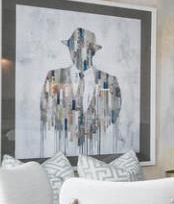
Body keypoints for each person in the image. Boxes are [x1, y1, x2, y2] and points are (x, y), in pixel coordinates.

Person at [39, 26, 123, 155]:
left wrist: (93, 127)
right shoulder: (54, 77)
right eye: (72, 48)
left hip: (97, 149)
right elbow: (46, 111)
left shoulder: (109, 80)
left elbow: (113, 113)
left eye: (81, 48)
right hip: (62, 149)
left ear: (92, 51)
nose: (75, 52)